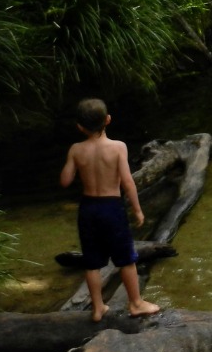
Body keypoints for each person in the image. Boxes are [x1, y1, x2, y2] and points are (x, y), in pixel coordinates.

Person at [59, 98, 160, 322]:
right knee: (125, 258)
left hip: (88, 208)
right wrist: (137, 209)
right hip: (111, 207)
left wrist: (71, 161)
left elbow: (65, 181)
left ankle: (97, 308)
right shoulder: (117, 147)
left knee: (92, 261)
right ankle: (135, 303)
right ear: (108, 120)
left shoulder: (76, 149)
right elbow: (127, 182)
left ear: (80, 127)